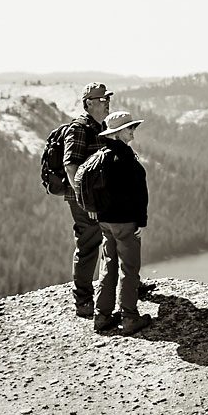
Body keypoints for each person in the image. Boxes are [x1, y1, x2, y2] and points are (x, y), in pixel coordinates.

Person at [88, 110, 152, 335]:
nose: (133, 131)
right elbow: (138, 194)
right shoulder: (124, 159)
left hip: (105, 222)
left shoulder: (102, 156)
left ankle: (102, 316)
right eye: (130, 128)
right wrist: (140, 222)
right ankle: (129, 318)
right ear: (117, 133)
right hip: (125, 222)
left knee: (108, 265)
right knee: (129, 268)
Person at [59, 83, 112, 318]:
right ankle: (83, 301)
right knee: (89, 244)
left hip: (99, 199)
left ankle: (117, 287)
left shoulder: (100, 126)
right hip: (84, 201)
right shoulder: (79, 129)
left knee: (111, 239)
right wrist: (85, 201)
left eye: (107, 98)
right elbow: (71, 167)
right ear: (89, 103)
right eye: (102, 99)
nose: (107, 102)